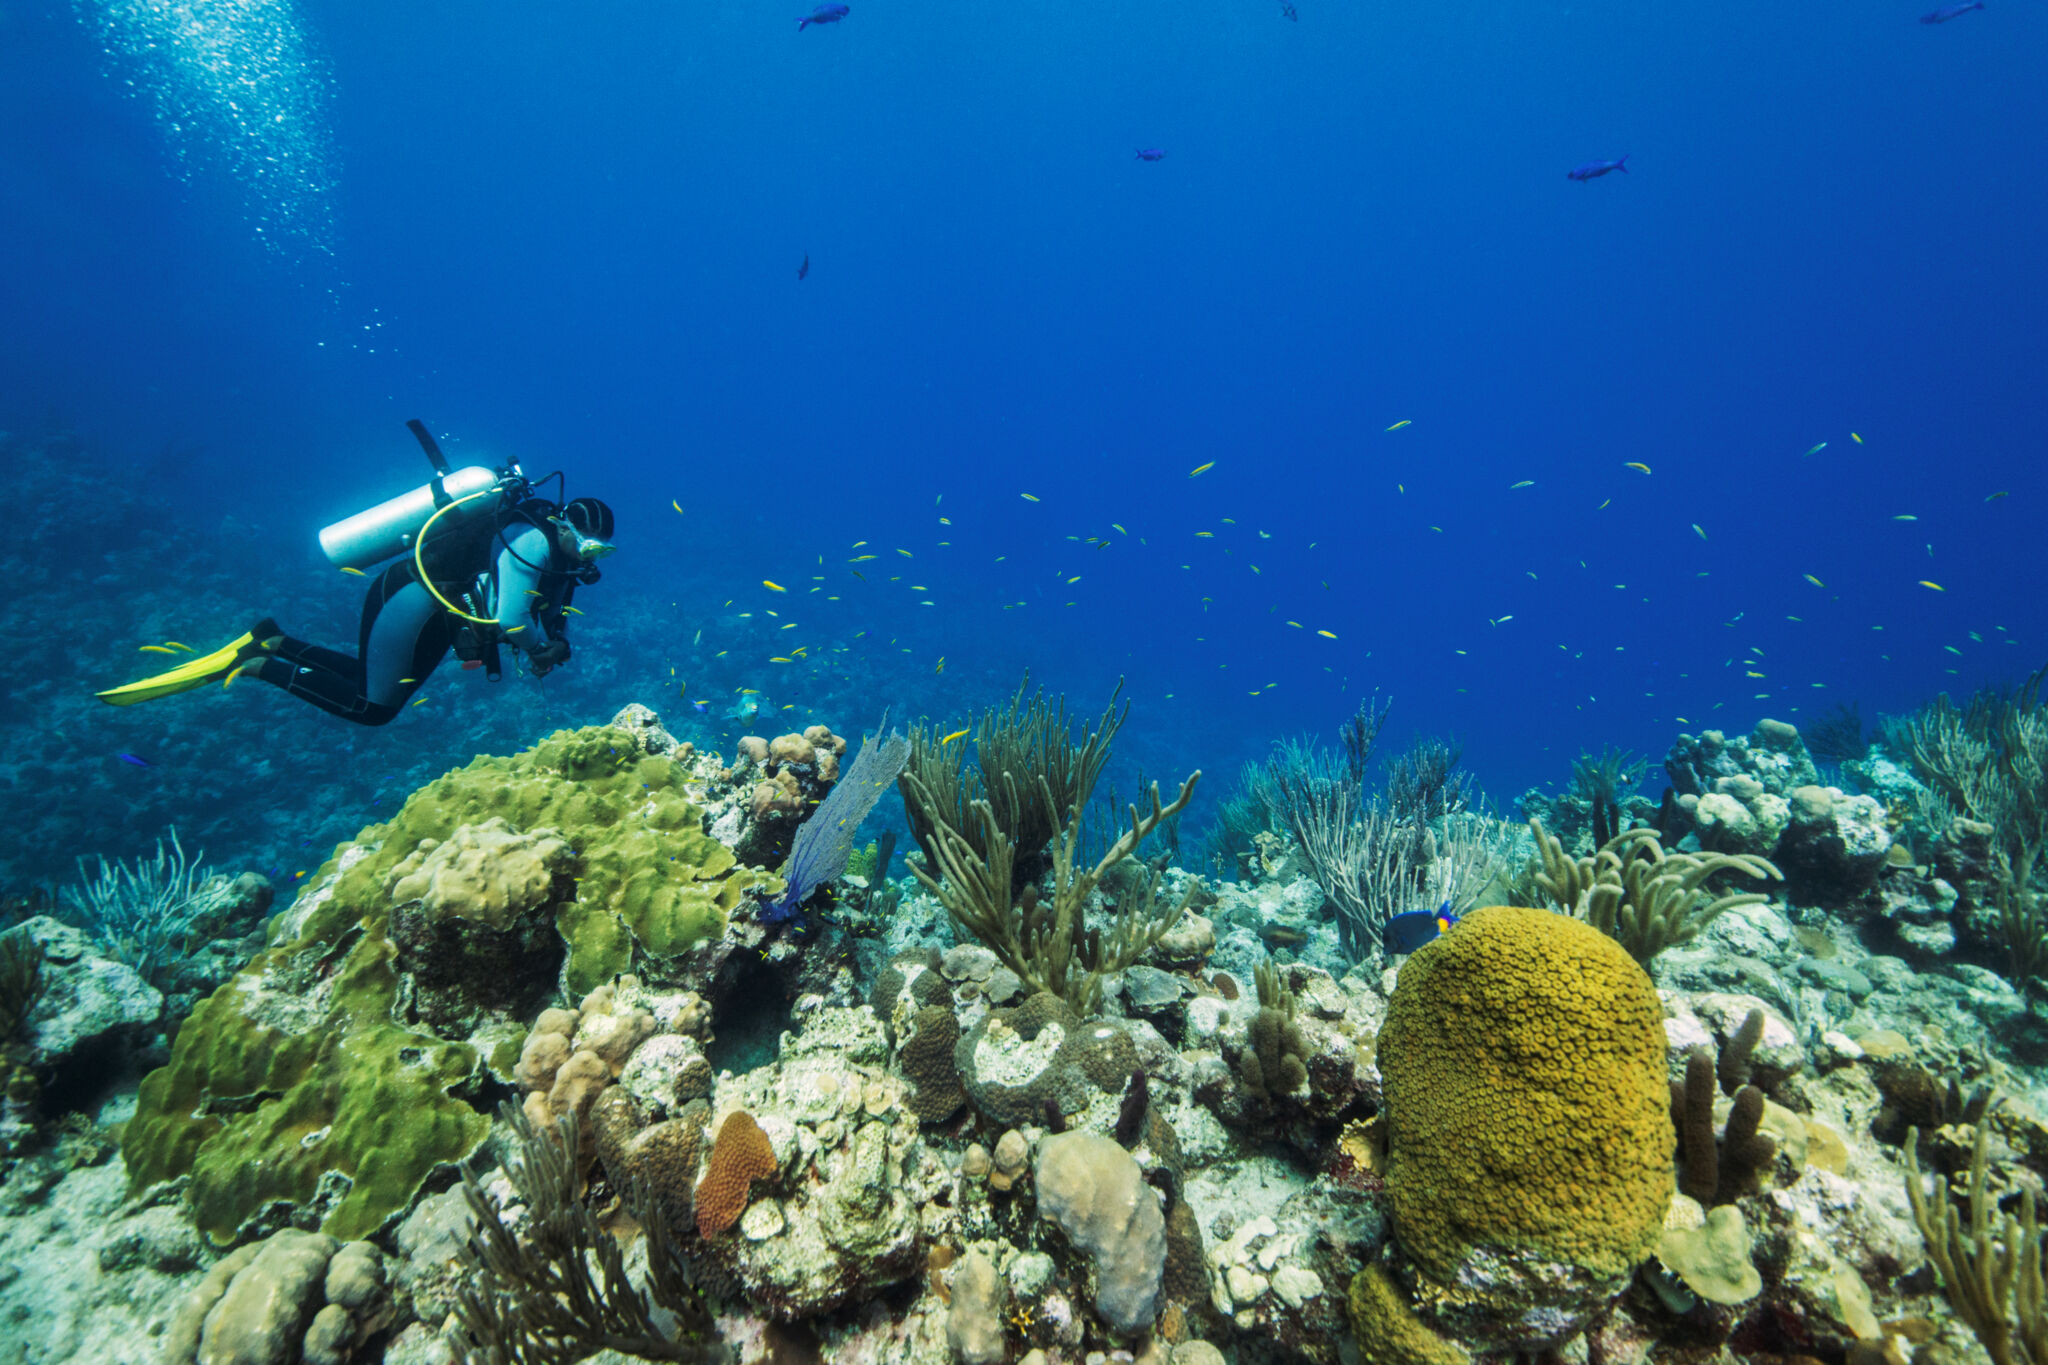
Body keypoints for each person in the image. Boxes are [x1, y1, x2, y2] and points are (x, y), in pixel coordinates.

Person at [98, 423, 614, 725]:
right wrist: (537, 648)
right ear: (565, 523)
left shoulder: (563, 557)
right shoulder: (531, 537)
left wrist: (557, 642)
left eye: (600, 551)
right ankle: (255, 663)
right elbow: (512, 618)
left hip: (437, 608)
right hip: (410, 598)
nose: (589, 555)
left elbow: (549, 609)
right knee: (373, 708)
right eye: (587, 543)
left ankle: (273, 640)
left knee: (375, 682)